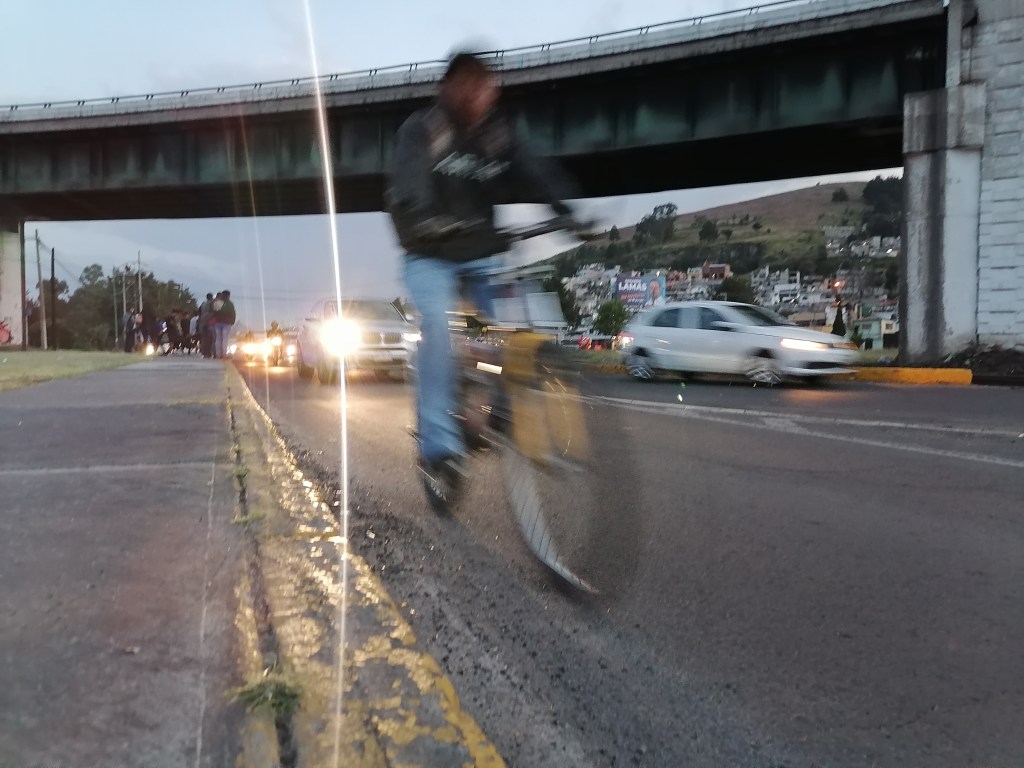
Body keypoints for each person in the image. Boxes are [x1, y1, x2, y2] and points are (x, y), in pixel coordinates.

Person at [386, 51, 582, 497]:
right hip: (429, 253)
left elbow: (534, 169)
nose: (481, 98)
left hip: (483, 252)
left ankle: (500, 408)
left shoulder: (496, 135)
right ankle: (439, 447)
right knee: (439, 328)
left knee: (511, 327)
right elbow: (408, 182)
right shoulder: (423, 129)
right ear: (450, 88)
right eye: (471, 88)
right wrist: (422, 217)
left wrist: (566, 210)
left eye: (487, 89)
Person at [213, 290, 236, 359]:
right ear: (228, 296)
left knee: (218, 338)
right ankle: (224, 354)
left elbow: (214, 312)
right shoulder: (230, 304)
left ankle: (218, 354)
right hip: (227, 323)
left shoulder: (218, 303)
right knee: (225, 339)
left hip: (218, 323)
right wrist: (232, 321)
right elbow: (233, 313)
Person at [198, 293, 215, 358]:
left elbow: (199, 312)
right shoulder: (211, 303)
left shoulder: (203, 304)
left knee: (204, 338)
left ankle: (204, 352)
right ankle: (209, 352)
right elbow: (213, 312)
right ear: (212, 297)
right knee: (210, 338)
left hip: (202, 322)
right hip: (209, 322)